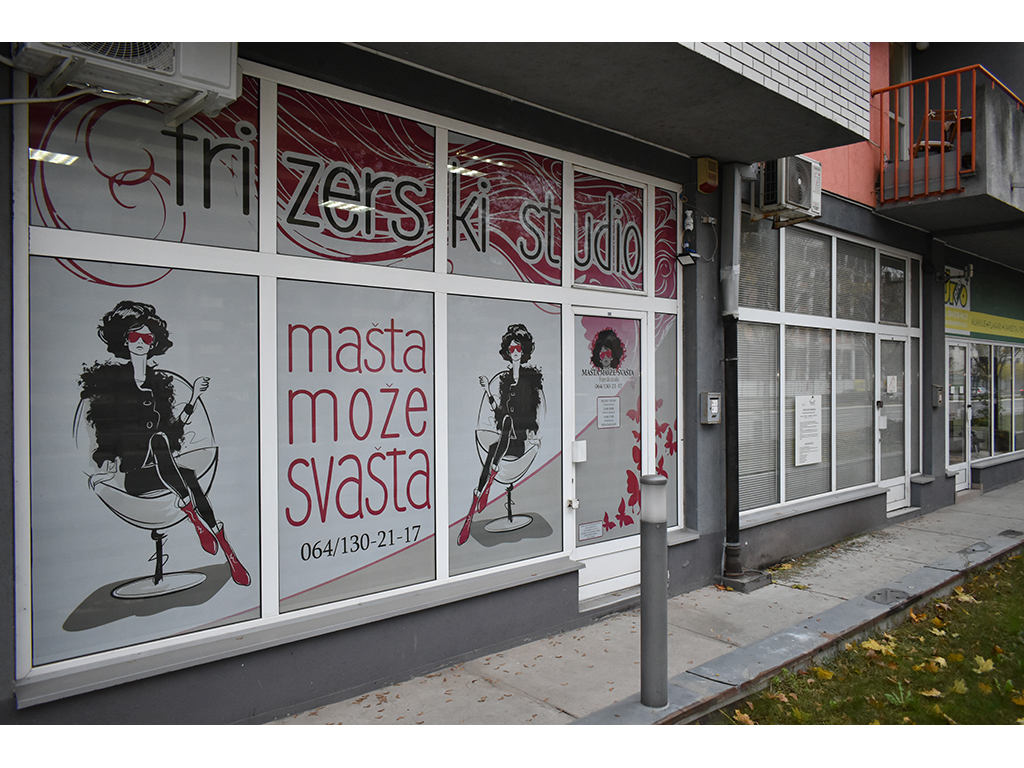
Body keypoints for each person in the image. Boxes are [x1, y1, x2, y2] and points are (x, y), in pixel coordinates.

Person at [79, 300, 250, 586]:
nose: (141, 342)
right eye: (135, 336)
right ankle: (206, 526)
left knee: (182, 469)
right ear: (124, 339)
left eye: (147, 338)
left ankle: (219, 539)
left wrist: (194, 397)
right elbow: (105, 432)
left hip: (164, 468)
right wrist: (105, 463)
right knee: (165, 449)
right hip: (135, 476)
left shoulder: (159, 385)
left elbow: (173, 433)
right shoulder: (112, 385)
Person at [458, 323, 544, 545]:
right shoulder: (504, 383)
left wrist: (534, 435)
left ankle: (486, 483)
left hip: (520, 442)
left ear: (524, 351)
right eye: (511, 349)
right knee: (495, 444)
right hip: (505, 441)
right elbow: (500, 413)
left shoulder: (530, 381)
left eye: (518, 348)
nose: (515, 352)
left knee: (506, 427)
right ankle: (473, 506)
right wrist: (488, 390)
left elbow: (534, 413)